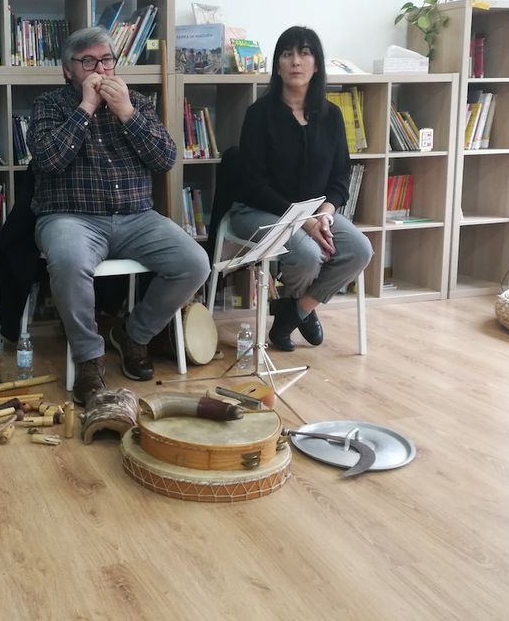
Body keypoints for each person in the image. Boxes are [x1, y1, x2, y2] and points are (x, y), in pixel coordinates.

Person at [28, 27, 210, 405]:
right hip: (70, 217)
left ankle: (134, 335)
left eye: (106, 60)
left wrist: (126, 113)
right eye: (88, 62)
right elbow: (48, 160)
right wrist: (85, 108)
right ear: (68, 71)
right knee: (68, 261)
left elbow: (165, 159)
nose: (100, 69)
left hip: (136, 217)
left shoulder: (136, 102)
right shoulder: (49, 105)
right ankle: (89, 359)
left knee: (194, 262)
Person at [228, 25, 373, 351]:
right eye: (287, 54)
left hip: (314, 212)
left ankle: (296, 311)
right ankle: (298, 310)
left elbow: (340, 177)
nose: (296, 61)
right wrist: (303, 221)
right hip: (258, 210)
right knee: (307, 254)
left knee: (360, 249)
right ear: (278, 66)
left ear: (316, 64)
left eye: (304, 53)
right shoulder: (259, 114)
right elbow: (253, 185)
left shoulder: (331, 116)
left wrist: (325, 214)